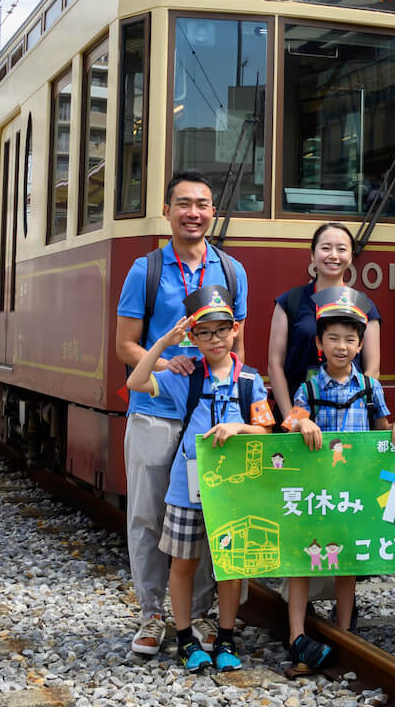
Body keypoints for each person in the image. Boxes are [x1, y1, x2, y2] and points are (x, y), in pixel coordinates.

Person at [115, 171, 248, 656]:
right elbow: (125, 345)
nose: (194, 212)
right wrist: (166, 356)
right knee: (149, 516)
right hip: (156, 410)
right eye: (184, 204)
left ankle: (202, 619)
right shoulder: (144, 270)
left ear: (213, 213)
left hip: (212, 422)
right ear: (168, 211)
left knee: (215, 518)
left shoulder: (232, 272)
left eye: (203, 204)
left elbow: (238, 348)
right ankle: (152, 616)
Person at [124, 285, 274, 672]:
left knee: (229, 564)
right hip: (186, 489)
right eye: (204, 332)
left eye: (222, 329)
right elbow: (136, 383)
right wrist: (164, 346)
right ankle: (187, 636)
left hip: (234, 489)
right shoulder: (185, 375)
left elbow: (266, 431)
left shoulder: (250, 381)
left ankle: (225, 637)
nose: (215, 339)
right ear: (192, 337)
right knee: (184, 563)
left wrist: (238, 428)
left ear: (236, 329)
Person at [279, 286, 395, 673]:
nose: (342, 346)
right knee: (303, 559)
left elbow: (382, 430)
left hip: (353, 488)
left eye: (350, 339)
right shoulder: (309, 386)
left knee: (346, 559)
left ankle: (343, 630)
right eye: (333, 338)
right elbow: (289, 424)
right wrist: (301, 421)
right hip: (315, 489)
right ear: (319, 343)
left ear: (360, 345)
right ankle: (297, 635)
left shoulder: (369, 388)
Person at [268, 223, 381, 419]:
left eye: (342, 249)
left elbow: (372, 369)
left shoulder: (364, 305)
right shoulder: (290, 301)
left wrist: (352, 409)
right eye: (326, 248)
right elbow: (275, 365)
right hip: (297, 415)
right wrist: (291, 419)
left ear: (351, 257)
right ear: (312, 255)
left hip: (348, 415)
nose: (334, 255)